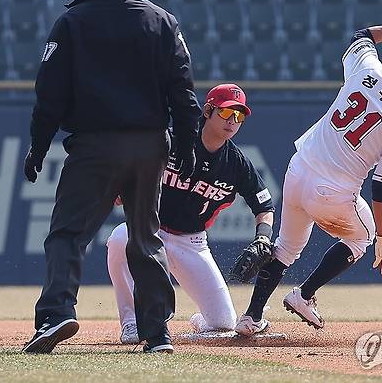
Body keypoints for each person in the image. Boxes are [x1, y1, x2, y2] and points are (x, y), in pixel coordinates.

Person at [22, 0, 200, 353]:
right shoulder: (162, 22)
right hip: (150, 145)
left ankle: (57, 314)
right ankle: (157, 334)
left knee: (67, 234)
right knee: (145, 236)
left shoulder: (72, 23)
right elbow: (183, 90)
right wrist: (188, 144)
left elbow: (49, 94)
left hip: (94, 146)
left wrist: (38, 146)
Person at [234, 12, 382, 335]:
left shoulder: (369, 71)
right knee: (361, 237)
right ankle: (303, 295)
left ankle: (251, 317)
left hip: (298, 169)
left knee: (286, 248)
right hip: (332, 193)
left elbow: (362, 35)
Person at [107, 84, 276, 345]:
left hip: (192, 243)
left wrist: (263, 238)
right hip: (149, 231)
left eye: (239, 116)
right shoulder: (173, 141)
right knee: (119, 237)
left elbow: (264, 207)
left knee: (223, 324)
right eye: (226, 112)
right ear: (208, 111)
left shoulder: (237, 164)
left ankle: (198, 321)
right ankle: (131, 323)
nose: (233, 121)